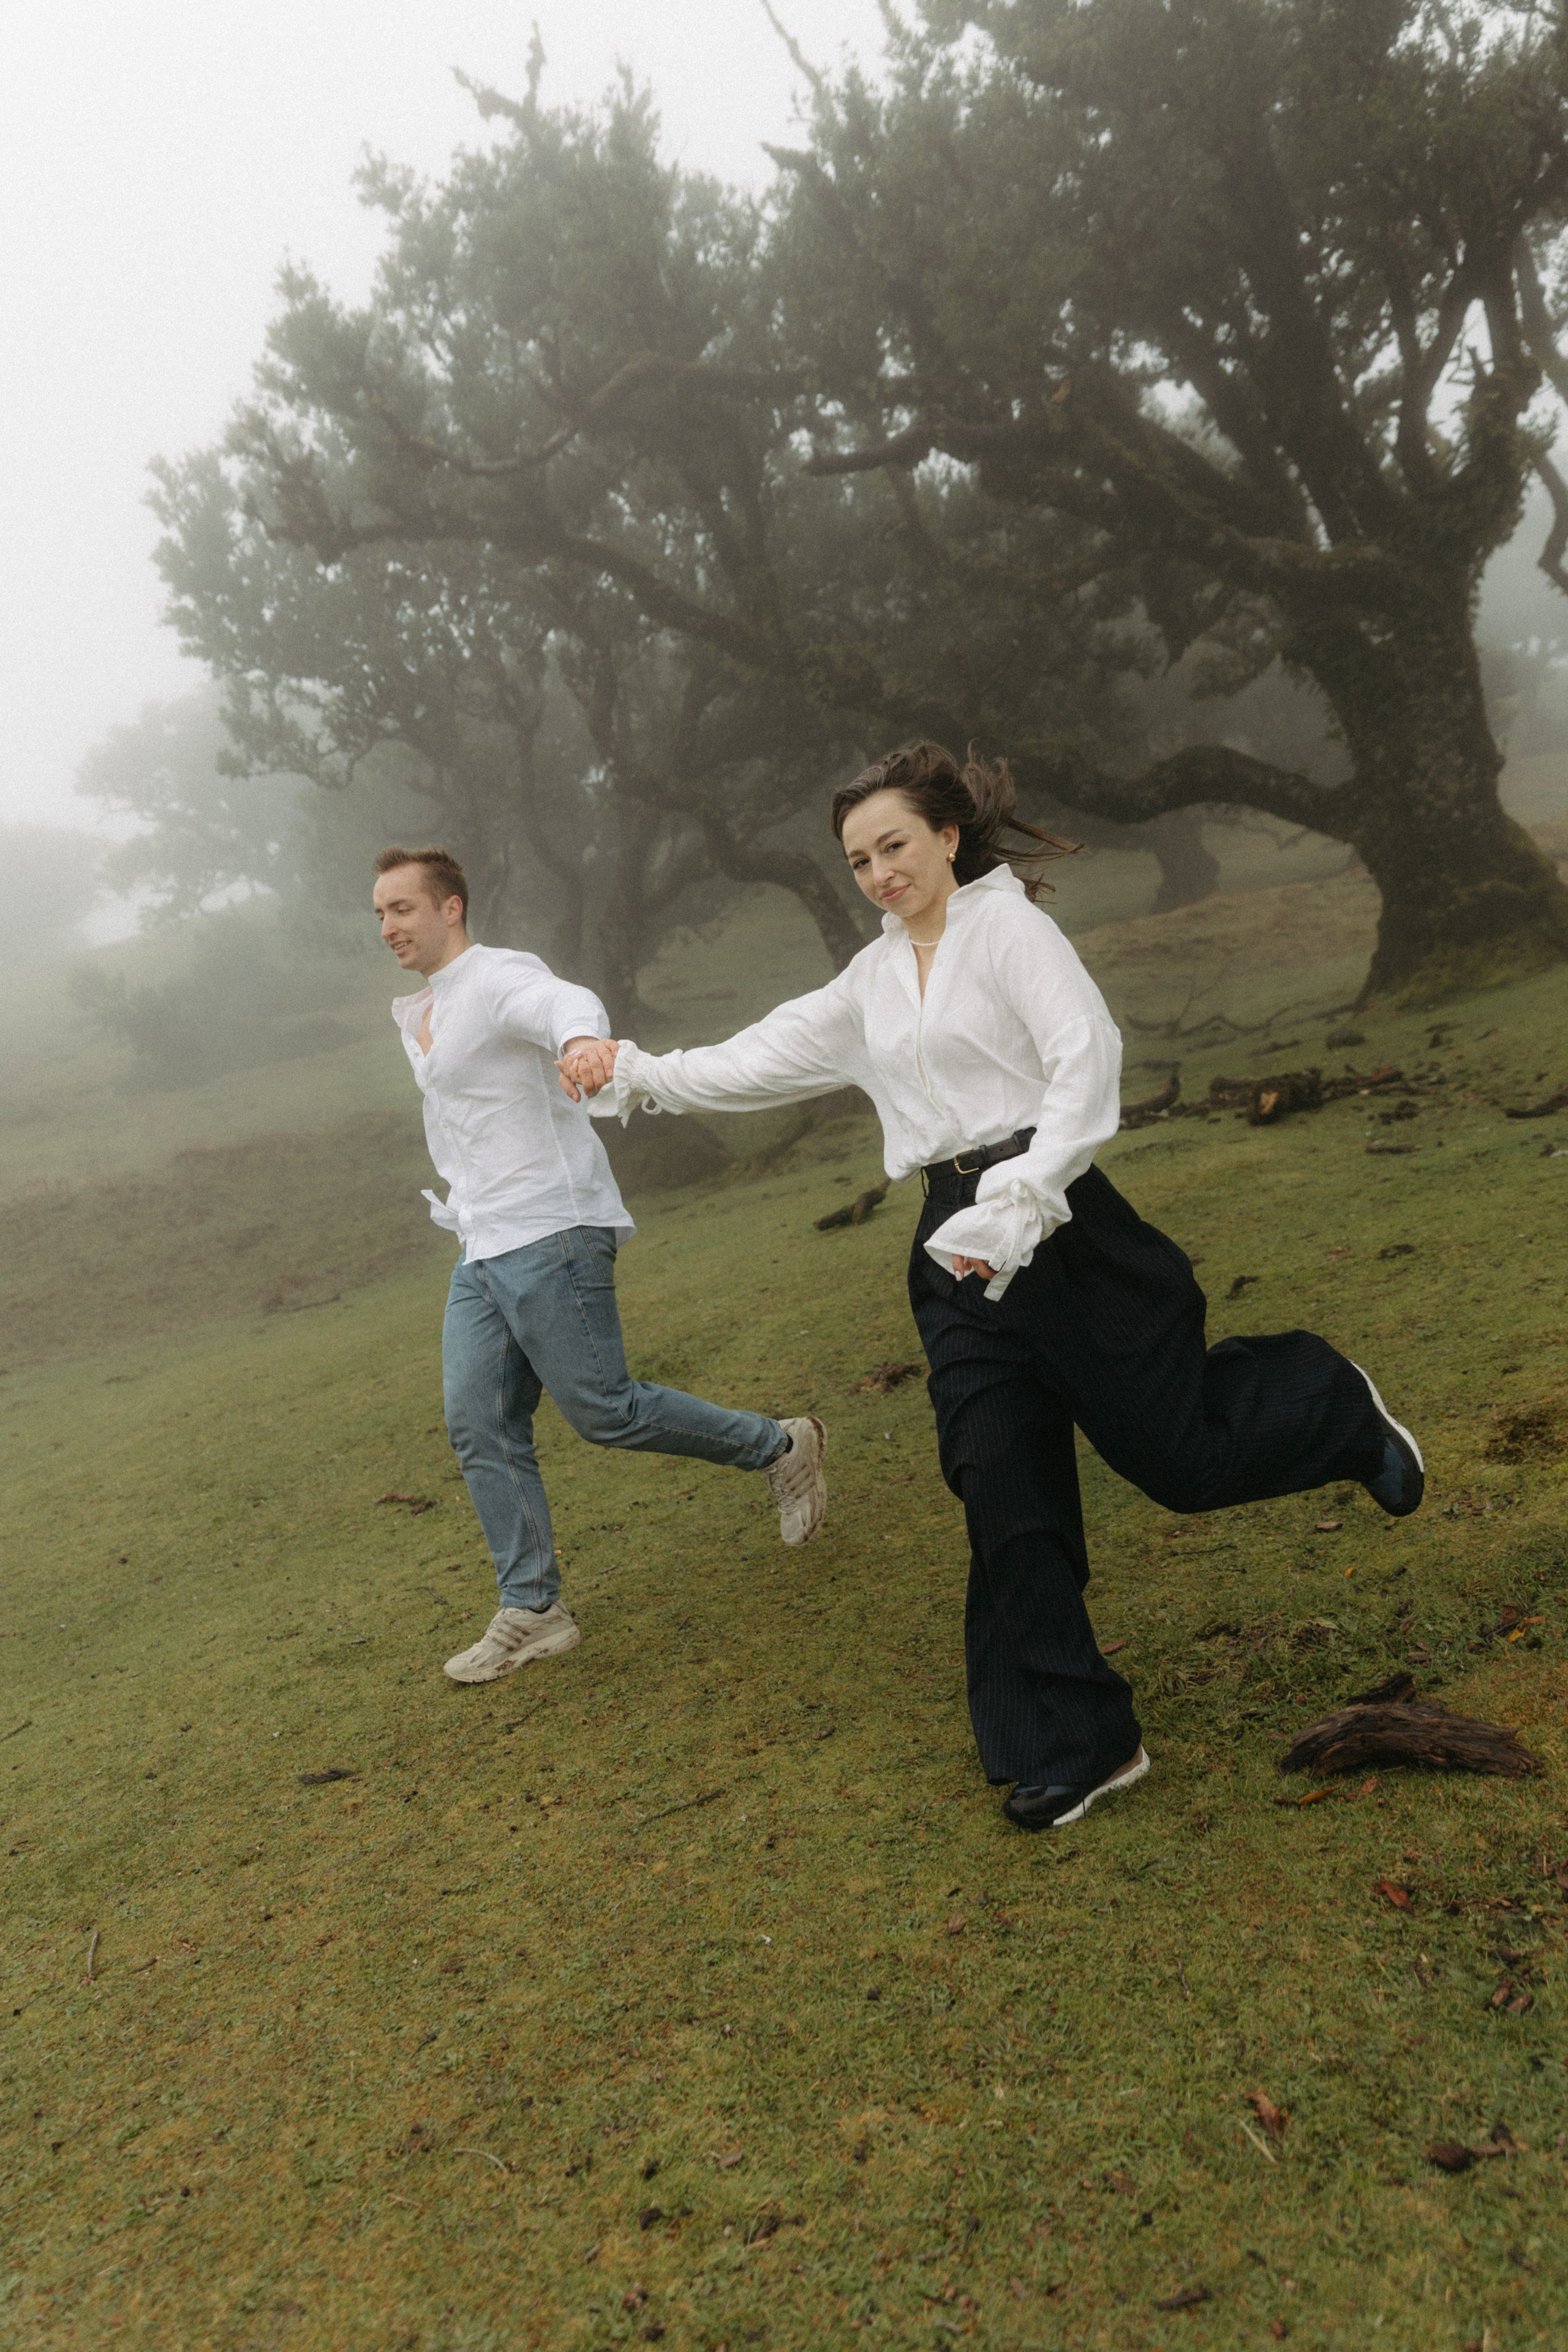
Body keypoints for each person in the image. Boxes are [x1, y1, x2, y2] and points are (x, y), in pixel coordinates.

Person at [560, 746, 1424, 1831]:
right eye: (858, 859)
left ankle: (1332, 1404)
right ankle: (1082, 1742)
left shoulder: (1011, 931)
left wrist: (1028, 1194)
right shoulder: (867, 983)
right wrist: (631, 1068)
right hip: (952, 1248)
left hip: (1062, 1225)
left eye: (895, 846)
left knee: (1183, 1461)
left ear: (948, 837)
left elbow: (1086, 1054)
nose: (878, 873)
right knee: (997, 1477)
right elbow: (751, 1059)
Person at [372, 845, 827, 1685]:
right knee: (479, 1421)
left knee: (605, 1411)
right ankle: (534, 1608)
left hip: (552, 1226)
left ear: (450, 908)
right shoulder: (423, 1011)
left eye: (403, 909)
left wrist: (583, 1040)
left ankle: (780, 1446)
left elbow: (561, 1001)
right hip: (481, 1242)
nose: (389, 926)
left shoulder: (500, 977)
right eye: (381, 914)